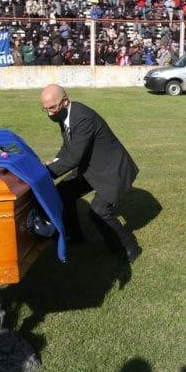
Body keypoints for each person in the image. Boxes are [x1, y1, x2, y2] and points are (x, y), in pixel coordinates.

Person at [41, 84, 142, 263]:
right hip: (92, 166)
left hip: (112, 169)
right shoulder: (67, 117)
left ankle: (130, 247)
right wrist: (54, 163)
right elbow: (68, 147)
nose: (49, 114)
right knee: (63, 192)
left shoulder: (82, 118)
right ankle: (75, 236)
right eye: (45, 109)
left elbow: (74, 158)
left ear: (65, 102)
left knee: (99, 211)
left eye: (52, 108)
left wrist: (45, 174)